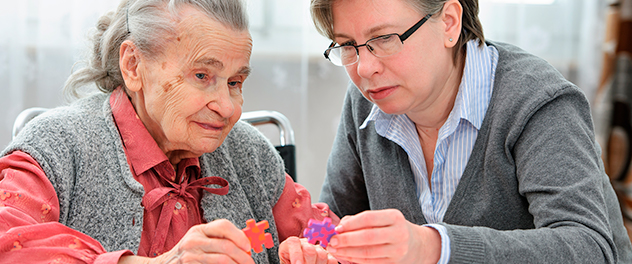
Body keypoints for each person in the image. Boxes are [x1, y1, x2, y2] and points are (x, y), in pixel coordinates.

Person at [0, 0, 338, 263]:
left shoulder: (250, 155)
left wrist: (317, 251)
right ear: (133, 65)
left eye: (235, 82)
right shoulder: (57, 147)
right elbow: (7, 242)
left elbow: (326, 235)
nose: (227, 107)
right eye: (202, 76)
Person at [299, 0, 632, 263]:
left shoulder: (537, 101)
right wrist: (313, 246)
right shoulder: (365, 102)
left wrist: (432, 247)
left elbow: (589, 248)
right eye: (346, 45)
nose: (364, 68)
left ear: (449, 22)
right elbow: (334, 220)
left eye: (385, 38)